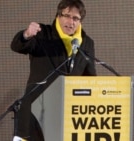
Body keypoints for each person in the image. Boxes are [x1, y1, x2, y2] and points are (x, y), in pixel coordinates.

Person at [10, 0, 96, 140]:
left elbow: (90, 76)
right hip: (36, 110)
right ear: (58, 16)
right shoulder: (42, 34)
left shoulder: (86, 43)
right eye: (66, 16)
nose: (71, 21)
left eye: (75, 18)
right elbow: (17, 46)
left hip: (67, 113)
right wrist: (26, 34)